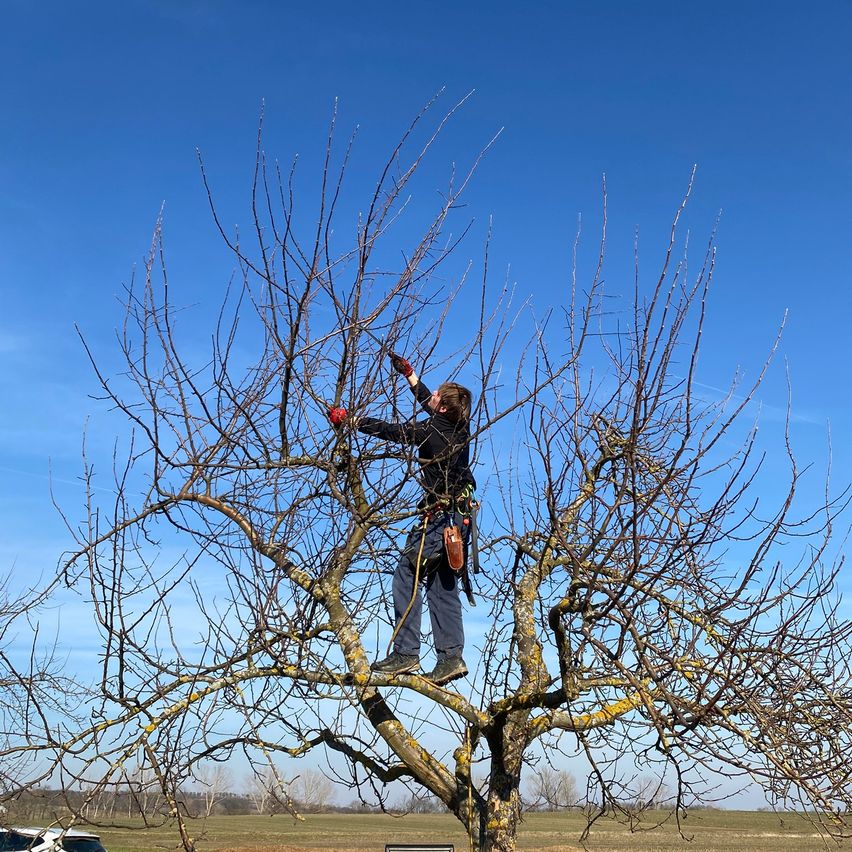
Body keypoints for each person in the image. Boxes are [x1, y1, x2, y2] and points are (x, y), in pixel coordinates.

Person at [330, 353, 476, 685]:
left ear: (442, 408)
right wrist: (410, 375)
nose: (432, 397)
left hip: (440, 518)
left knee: (406, 572)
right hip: (459, 517)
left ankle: (406, 654)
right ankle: (451, 658)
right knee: (442, 586)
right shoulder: (459, 426)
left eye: (437, 395)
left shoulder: (430, 433)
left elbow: (392, 431)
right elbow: (429, 403)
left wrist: (349, 420)